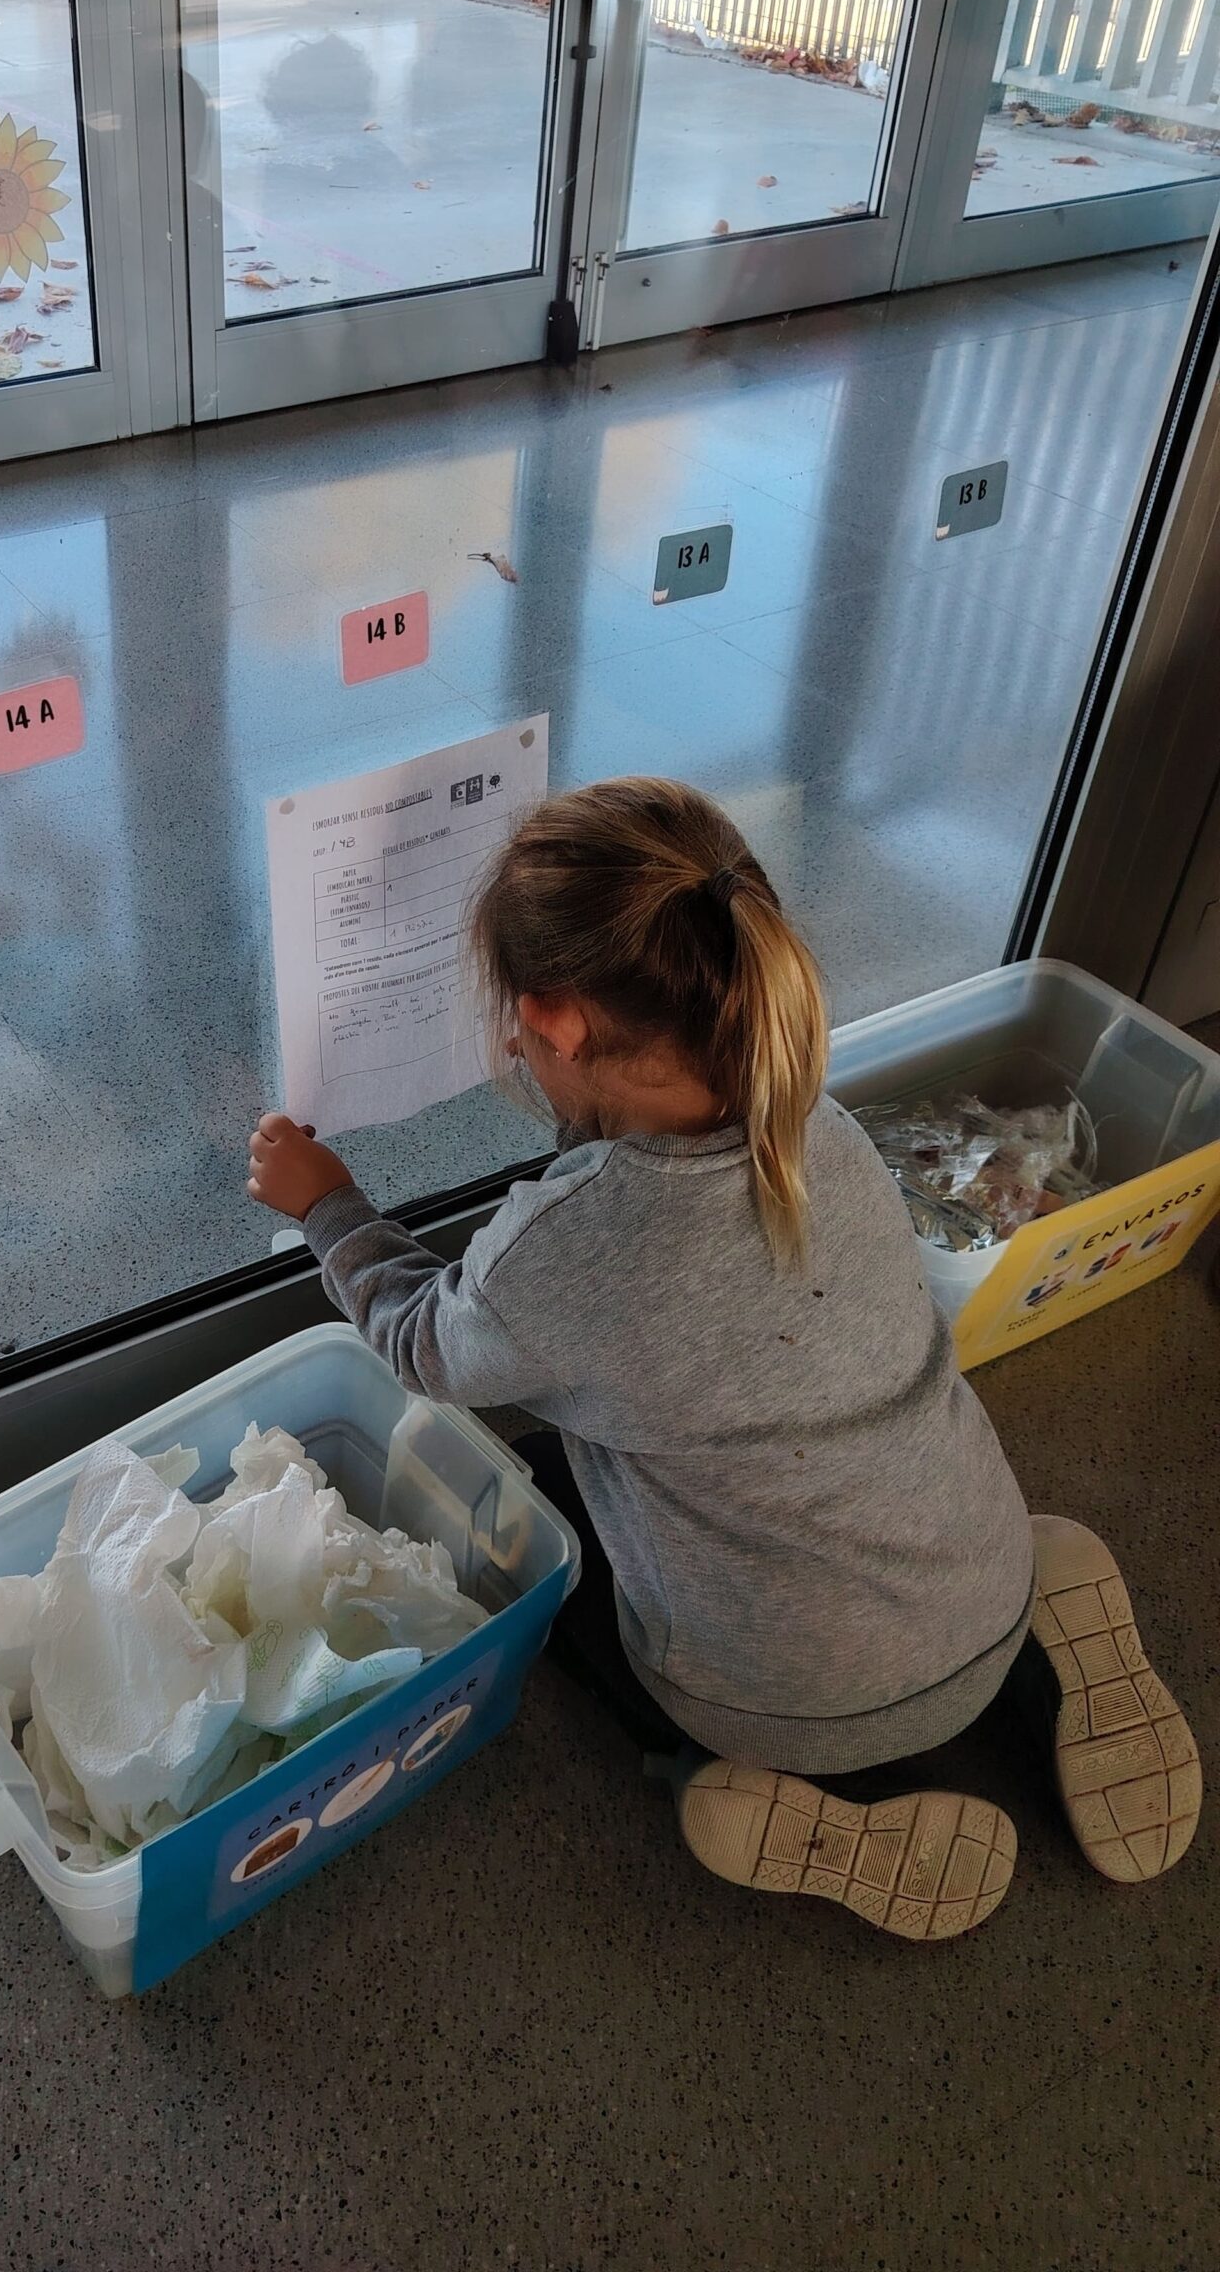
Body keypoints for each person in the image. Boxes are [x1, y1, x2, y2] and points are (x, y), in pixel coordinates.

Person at [246, 776, 1201, 1939]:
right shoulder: (818, 1126)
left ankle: (755, 1784)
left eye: (514, 1024)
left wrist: (329, 1205)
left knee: (538, 1529)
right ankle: (1038, 1662)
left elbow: (423, 1344)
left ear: (554, 1025)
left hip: (780, 1702)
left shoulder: (567, 1252)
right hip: (986, 1581)